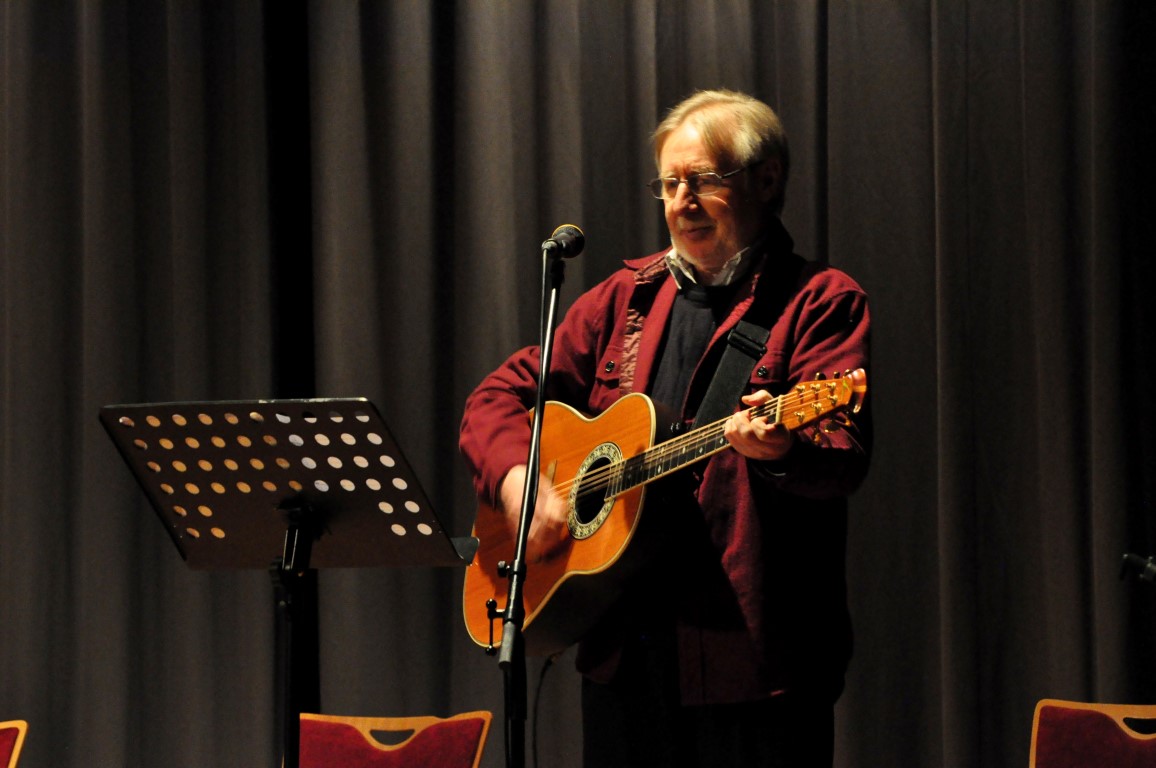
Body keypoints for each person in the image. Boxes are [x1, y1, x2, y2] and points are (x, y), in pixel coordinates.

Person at [459, 89, 871, 767]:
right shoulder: (624, 299)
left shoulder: (819, 301)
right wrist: (519, 484)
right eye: (669, 184)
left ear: (767, 180)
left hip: (753, 664)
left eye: (703, 180)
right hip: (625, 657)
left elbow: (843, 459)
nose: (682, 202)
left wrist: (780, 449)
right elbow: (497, 395)